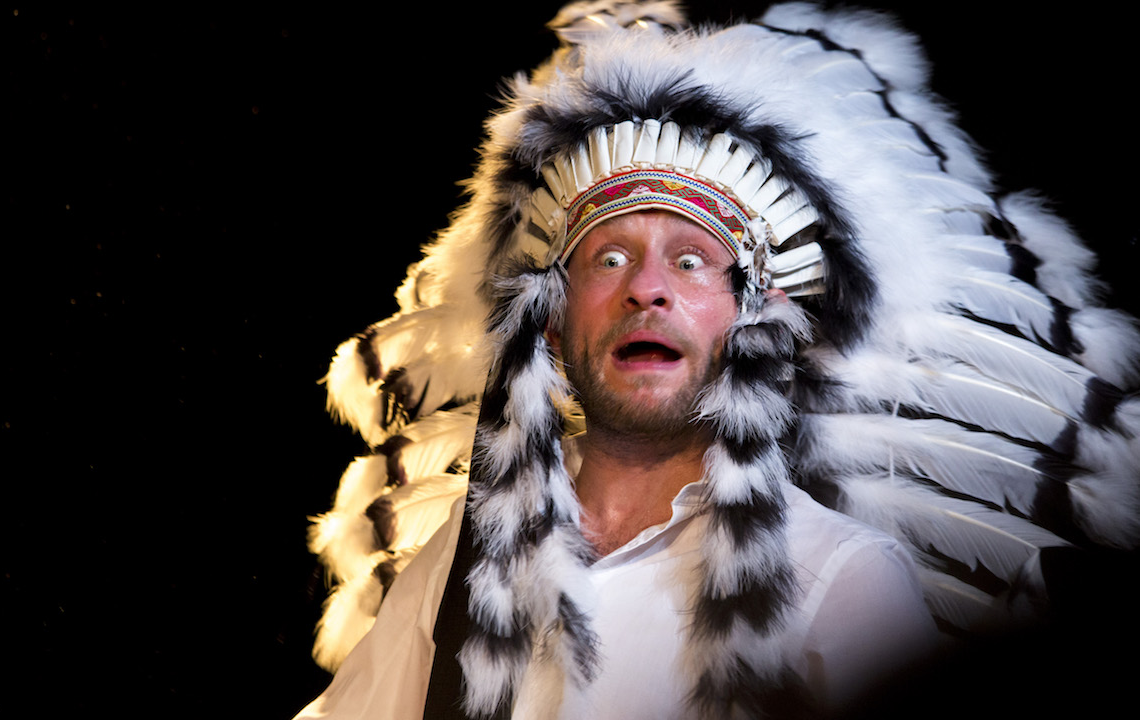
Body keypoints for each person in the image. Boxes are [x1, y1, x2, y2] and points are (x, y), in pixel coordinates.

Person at [300, 2, 1140, 718]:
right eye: (610, 259)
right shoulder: (467, 558)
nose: (648, 291)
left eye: (693, 261)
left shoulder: (841, 581)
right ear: (550, 322)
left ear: (755, 328)